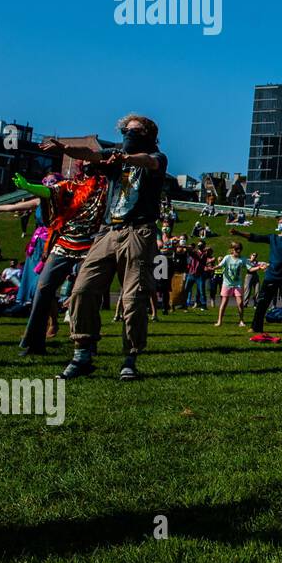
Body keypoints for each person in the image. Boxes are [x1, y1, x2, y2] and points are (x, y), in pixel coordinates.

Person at [49, 115, 167, 381]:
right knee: (82, 289)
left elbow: (150, 162)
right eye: (125, 130)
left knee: (133, 298)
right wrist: (66, 149)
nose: (127, 133)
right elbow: (90, 154)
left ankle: (130, 357)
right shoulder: (112, 155)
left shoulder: (157, 156)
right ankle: (83, 353)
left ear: (148, 133)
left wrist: (127, 160)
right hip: (107, 231)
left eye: (133, 130)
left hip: (139, 231)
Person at [232, 216, 282, 339]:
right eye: (279, 222)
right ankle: (256, 326)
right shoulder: (273, 237)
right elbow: (255, 237)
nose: (281, 225)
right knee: (262, 301)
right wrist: (239, 233)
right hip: (271, 275)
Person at [213, 241, 251, 327]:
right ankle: (219, 321)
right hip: (227, 283)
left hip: (237, 284)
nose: (238, 251)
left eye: (240, 249)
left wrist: (259, 267)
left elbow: (250, 268)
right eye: (237, 249)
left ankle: (241, 321)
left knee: (240, 302)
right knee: (224, 302)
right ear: (232, 250)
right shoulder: (227, 258)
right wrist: (213, 268)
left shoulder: (243, 259)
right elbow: (220, 265)